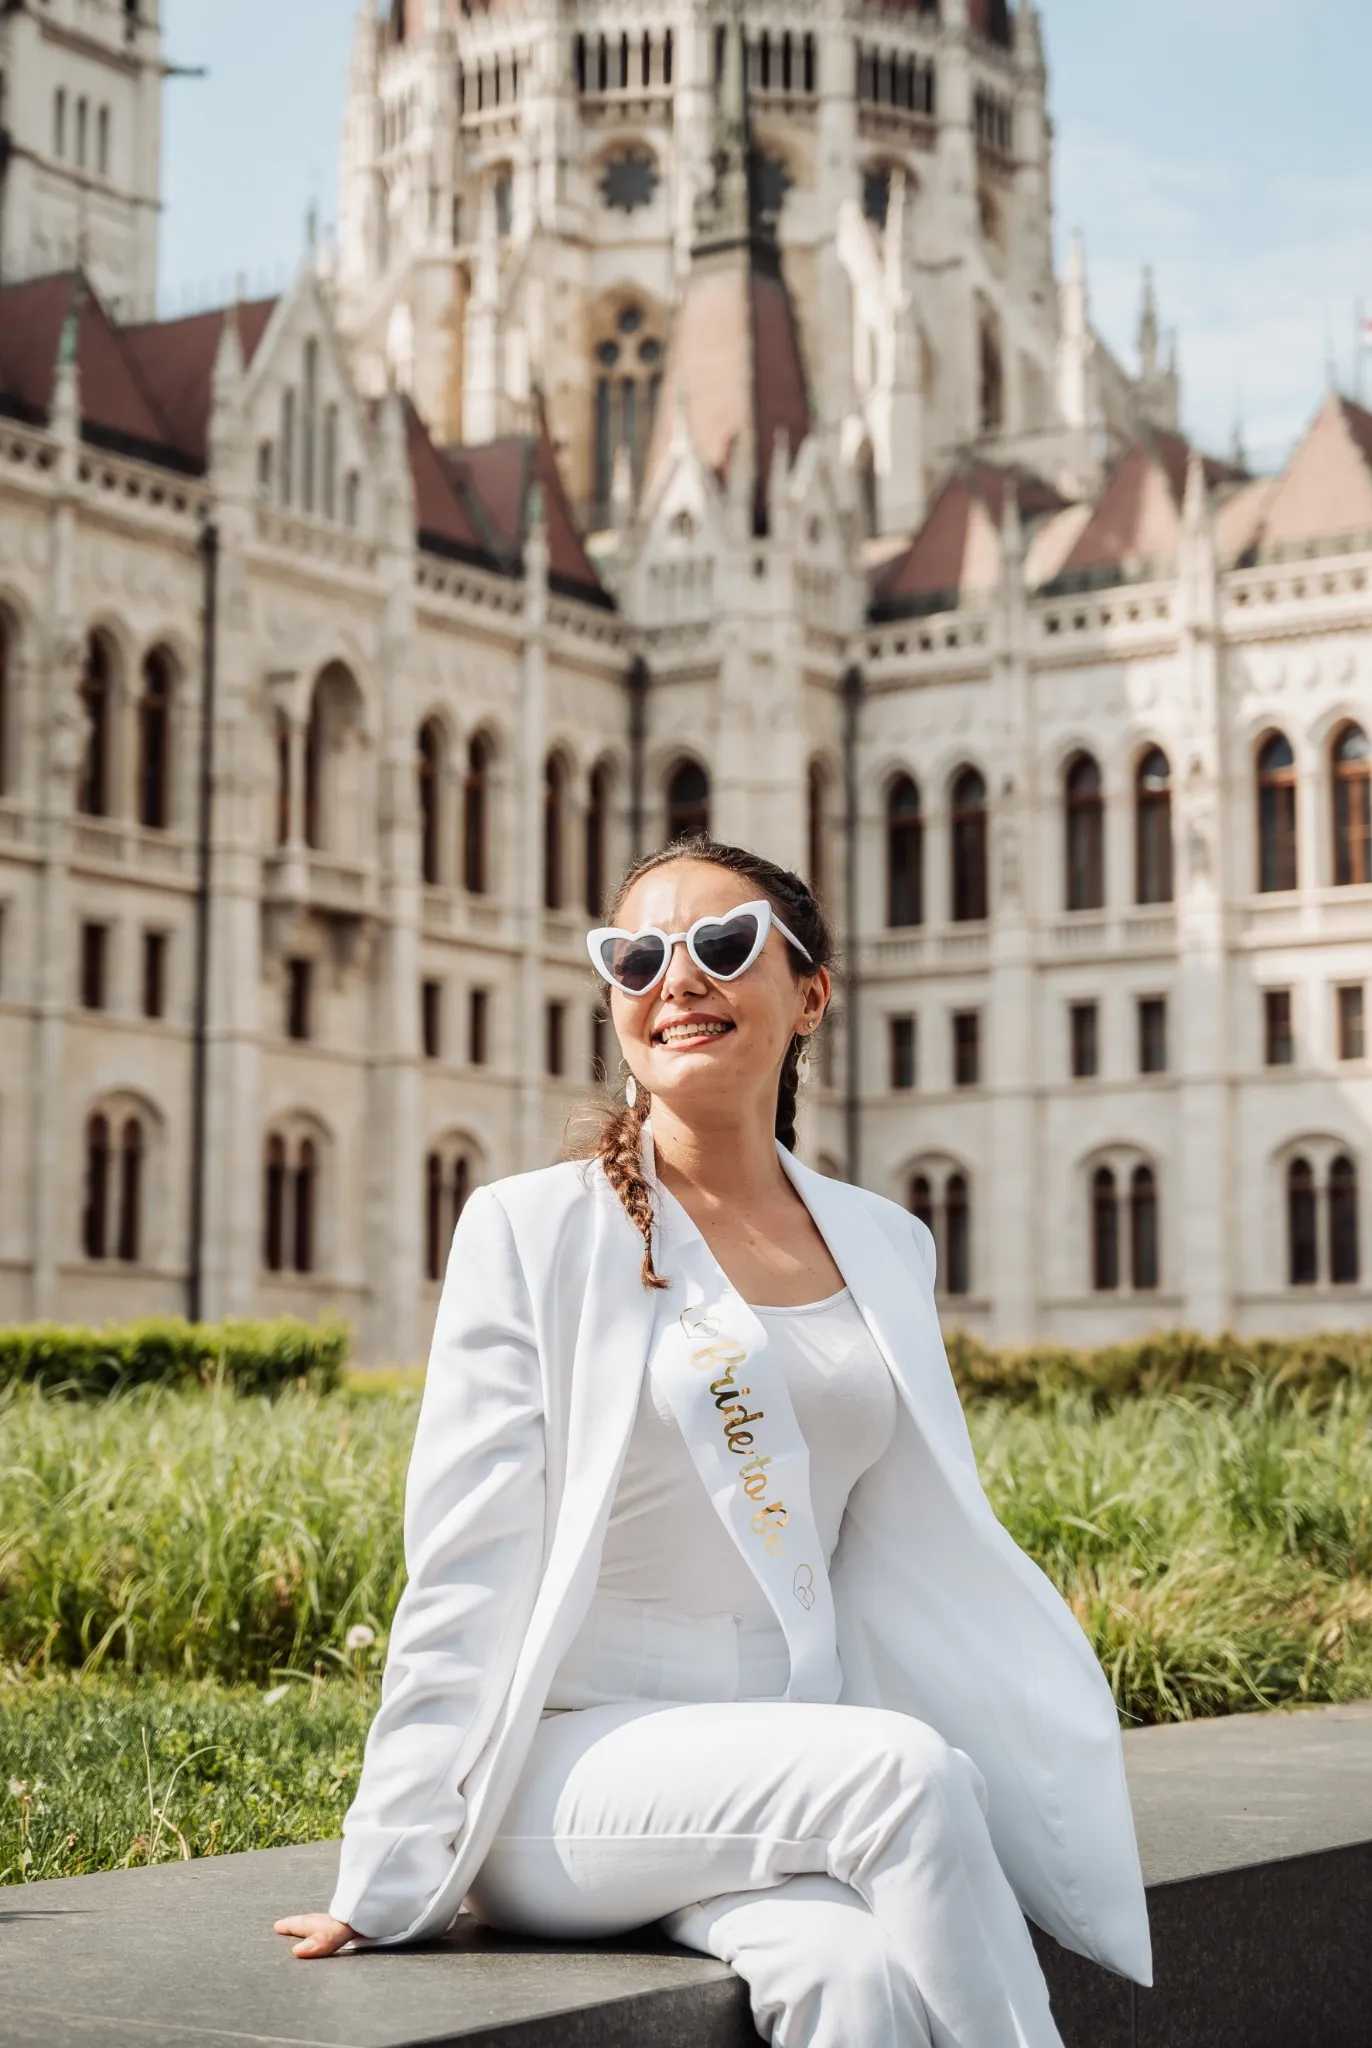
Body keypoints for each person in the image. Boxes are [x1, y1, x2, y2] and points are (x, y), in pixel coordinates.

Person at [276, 837, 1150, 2046]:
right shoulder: (531, 1230)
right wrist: (384, 1870)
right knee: (905, 1772)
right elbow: (464, 1563)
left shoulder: (885, 1240)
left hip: (781, 1756)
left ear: (809, 993)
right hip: (568, 1774)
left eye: (723, 944)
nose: (676, 977)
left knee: (855, 1979)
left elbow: (890, 1542)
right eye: (637, 956)